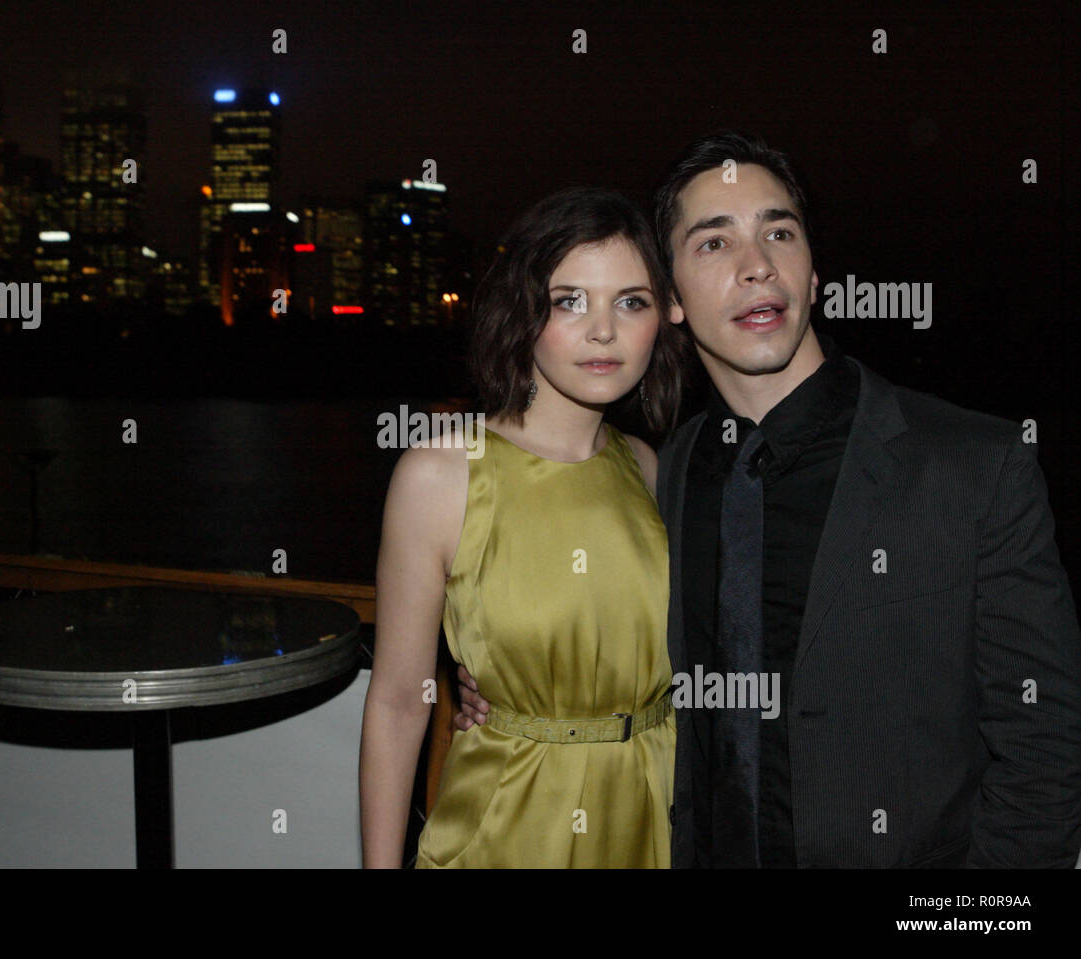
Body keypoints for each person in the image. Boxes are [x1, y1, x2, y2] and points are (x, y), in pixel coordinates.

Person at [456, 131, 1081, 868]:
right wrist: (495, 682)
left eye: (779, 232)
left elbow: (1044, 750)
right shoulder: (666, 471)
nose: (757, 267)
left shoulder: (975, 467)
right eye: (714, 244)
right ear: (673, 303)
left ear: (814, 274)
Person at [359, 186, 690, 867]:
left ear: (663, 317)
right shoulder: (441, 473)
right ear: (524, 311)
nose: (604, 330)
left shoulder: (649, 468)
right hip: (508, 825)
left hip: (652, 819)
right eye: (570, 300)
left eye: (631, 301)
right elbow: (398, 702)